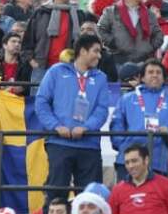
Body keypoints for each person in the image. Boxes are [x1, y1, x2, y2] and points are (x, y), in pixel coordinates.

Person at [35, 33, 111, 203]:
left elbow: (102, 109)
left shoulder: (100, 78)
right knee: (56, 196)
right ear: (83, 51)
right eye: (96, 51)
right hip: (59, 142)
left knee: (89, 198)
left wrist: (87, 127)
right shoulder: (56, 71)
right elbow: (41, 102)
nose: (99, 56)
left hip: (89, 144)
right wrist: (55, 126)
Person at [111, 59, 168, 178]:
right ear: (142, 77)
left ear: (164, 78)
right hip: (128, 160)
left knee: (155, 197)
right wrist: (123, 145)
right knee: (127, 196)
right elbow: (116, 124)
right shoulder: (127, 99)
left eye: (158, 72)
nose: (155, 75)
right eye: (150, 72)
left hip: (158, 162)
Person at [97, 0, 164, 65]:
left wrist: (150, 47)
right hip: (118, 59)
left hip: (144, 60)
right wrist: (114, 43)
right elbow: (101, 29)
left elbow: (158, 33)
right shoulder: (111, 11)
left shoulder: (149, 14)